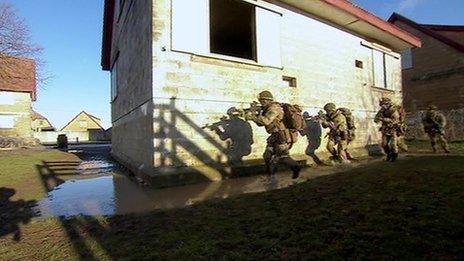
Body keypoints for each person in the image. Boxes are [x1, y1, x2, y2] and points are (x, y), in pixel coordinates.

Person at [244, 91, 301, 179]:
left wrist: (252, 117)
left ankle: (296, 167)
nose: (261, 103)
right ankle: (271, 176)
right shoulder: (268, 109)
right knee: (267, 156)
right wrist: (255, 115)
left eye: (262, 101)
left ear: (266, 100)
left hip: (283, 137)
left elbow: (266, 121)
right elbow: (261, 123)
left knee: (282, 157)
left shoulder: (274, 108)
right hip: (274, 136)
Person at [374, 97, 402, 162]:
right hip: (385, 129)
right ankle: (389, 154)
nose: (382, 106)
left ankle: (394, 157)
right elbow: (376, 119)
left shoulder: (393, 110)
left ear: (387, 103)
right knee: (384, 144)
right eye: (381, 105)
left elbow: (394, 120)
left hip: (393, 129)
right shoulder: (382, 110)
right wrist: (379, 117)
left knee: (393, 144)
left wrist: (383, 119)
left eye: (383, 104)